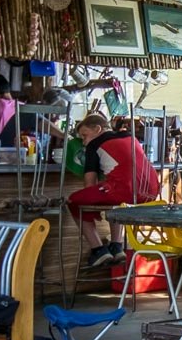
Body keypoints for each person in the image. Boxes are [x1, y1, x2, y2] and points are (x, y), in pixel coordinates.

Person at [67, 113, 161, 269]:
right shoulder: (130, 137)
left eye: (84, 136)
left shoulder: (94, 145)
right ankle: (116, 246)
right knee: (115, 200)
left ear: (97, 129)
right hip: (151, 190)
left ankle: (98, 249)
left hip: (127, 190)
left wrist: (93, 206)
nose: (83, 142)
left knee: (74, 200)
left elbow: (89, 184)